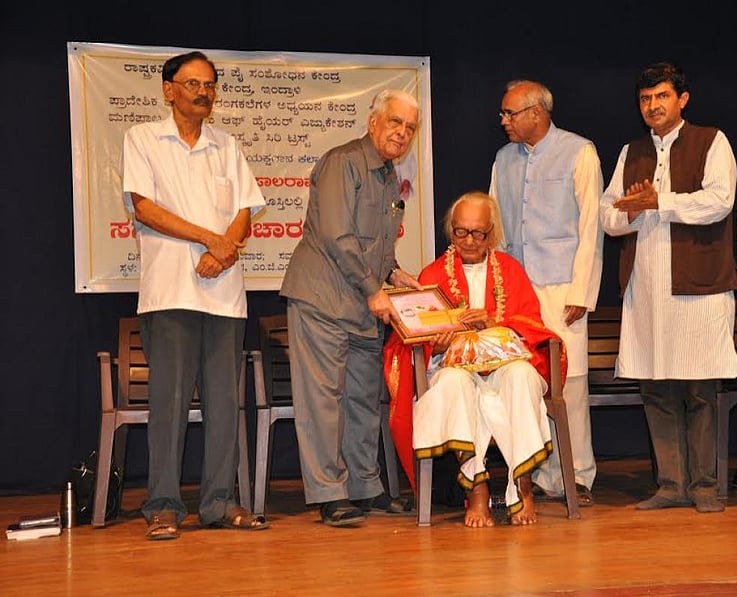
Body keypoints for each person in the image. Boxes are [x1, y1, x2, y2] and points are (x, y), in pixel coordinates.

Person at [121, 51, 269, 540]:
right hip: (169, 292)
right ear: (168, 90)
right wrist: (212, 240)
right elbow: (144, 208)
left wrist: (224, 251)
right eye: (192, 84)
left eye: (210, 84)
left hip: (224, 294)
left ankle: (220, 503)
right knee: (170, 402)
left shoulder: (227, 145)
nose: (203, 92)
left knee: (226, 403)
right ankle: (163, 504)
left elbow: (247, 209)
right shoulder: (142, 138)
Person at [599, 62, 737, 513]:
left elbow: (719, 201)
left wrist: (661, 201)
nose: (653, 105)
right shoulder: (630, 151)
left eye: (661, 96)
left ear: (682, 99)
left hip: (698, 288)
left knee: (699, 389)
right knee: (657, 389)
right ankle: (670, 484)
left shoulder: (711, 141)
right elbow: (607, 215)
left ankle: (703, 486)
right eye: (645, 99)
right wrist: (633, 212)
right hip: (648, 289)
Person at [280, 88, 421, 527]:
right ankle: (329, 493)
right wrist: (373, 289)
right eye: (395, 122)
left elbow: (374, 242)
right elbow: (337, 236)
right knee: (323, 400)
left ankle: (364, 487)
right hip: (323, 297)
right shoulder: (344, 162)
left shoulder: (387, 174)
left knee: (363, 398)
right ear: (373, 121)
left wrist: (395, 275)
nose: (401, 132)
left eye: (410, 127)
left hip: (362, 305)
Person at [383, 191, 565, 527]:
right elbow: (409, 340)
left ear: (492, 234)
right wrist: (434, 344)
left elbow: (534, 327)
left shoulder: (510, 271)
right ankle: (477, 490)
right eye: (460, 232)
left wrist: (494, 325)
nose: (468, 241)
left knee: (522, 377)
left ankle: (522, 486)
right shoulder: (433, 273)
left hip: (503, 366)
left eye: (478, 233)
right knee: (454, 383)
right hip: (452, 368)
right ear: (450, 231)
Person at [489, 80, 603, 507]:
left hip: (563, 288)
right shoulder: (503, 159)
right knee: (523, 381)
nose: (504, 121)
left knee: (568, 384)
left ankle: (577, 475)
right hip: (518, 290)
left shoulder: (579, 151)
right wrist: (498, 290)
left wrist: (582, 290)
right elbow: (495, 228)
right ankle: (536, 472)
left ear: (537, 113)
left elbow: (591, 224)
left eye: (510, 113)